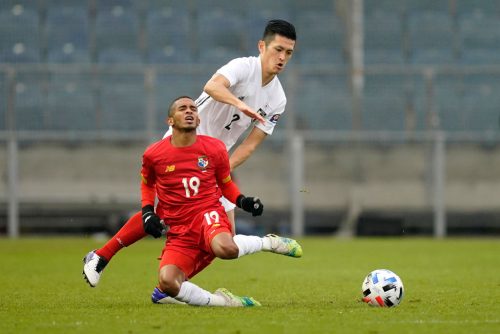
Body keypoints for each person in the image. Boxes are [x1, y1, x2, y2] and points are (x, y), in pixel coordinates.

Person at [83, 19, 297, 288]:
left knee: (226, 240)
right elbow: (212, 87)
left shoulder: (278, 98)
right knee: (163, 212)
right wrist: (240, 105)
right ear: (262, 46)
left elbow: (250, 145)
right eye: (278, 49)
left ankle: (173, 286)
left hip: (212, 160)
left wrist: (220, 172)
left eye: (288, 53)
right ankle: (102, 256)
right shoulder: (244, 66)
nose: (282, 58)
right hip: (183, 142)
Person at [146, 96, 300, 306]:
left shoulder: (214, 148)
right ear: (170, 121)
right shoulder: (154, 154)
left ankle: (268, 242)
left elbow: (225, 183)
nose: (190, 111)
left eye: (193, 109)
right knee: (167, 283)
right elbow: (147, 184)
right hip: (180, 229)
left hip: (207, 213)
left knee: (226, 249)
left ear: (199, 121)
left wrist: (242, 200)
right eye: (183, 109)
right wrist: (147, 211)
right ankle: (222, 301)